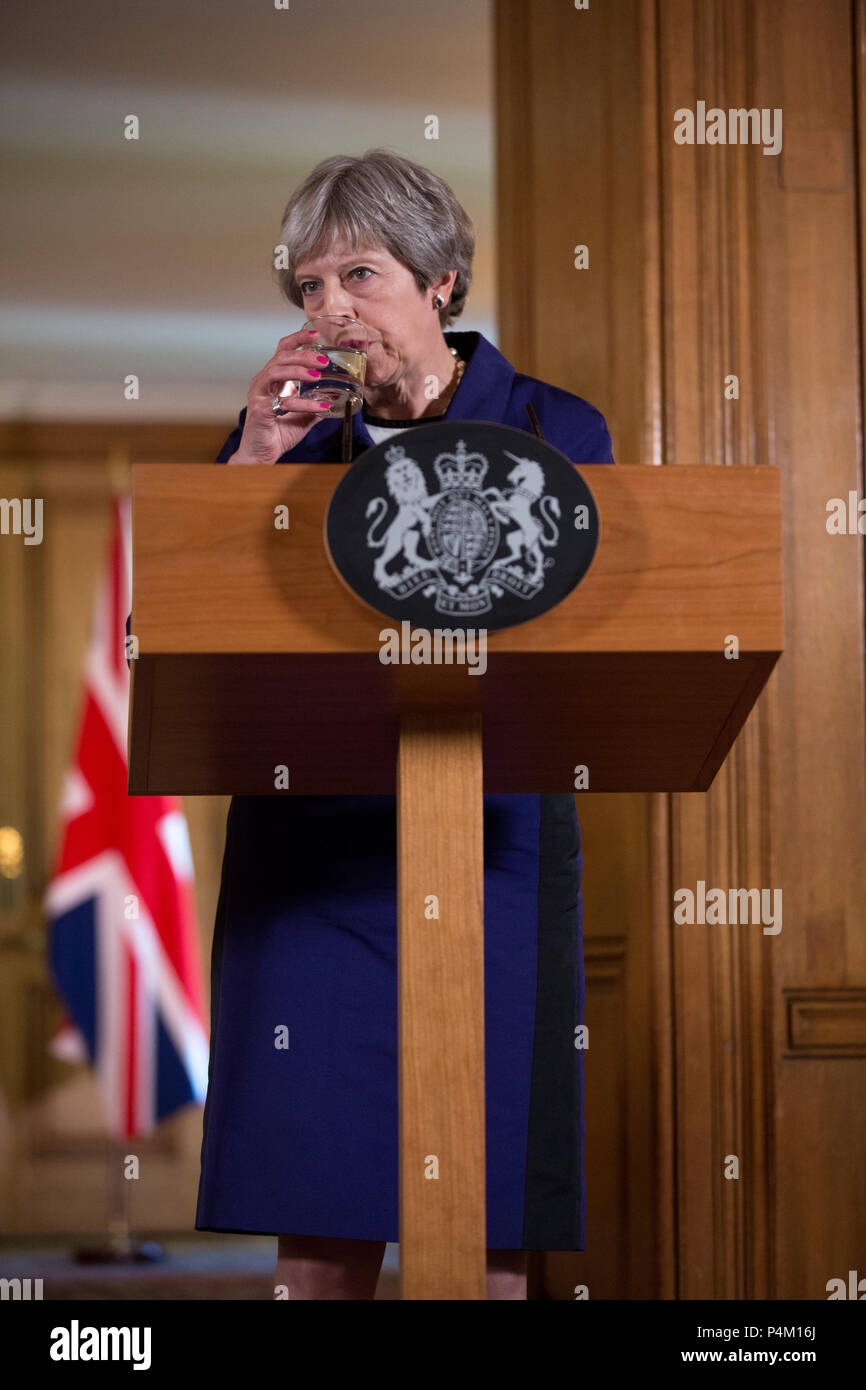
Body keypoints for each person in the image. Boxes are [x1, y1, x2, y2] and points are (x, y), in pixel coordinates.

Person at [194, 149, 614, 1300]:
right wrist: (251, 465)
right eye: (308, 288)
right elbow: (176, 634)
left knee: (478, 1226)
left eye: (359, 277)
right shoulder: (271, 448)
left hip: (490, 853)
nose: (329, 310)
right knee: (316, 1222)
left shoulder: (552, 426)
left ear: (438, 283)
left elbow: (595, 632)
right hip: (312, 859)